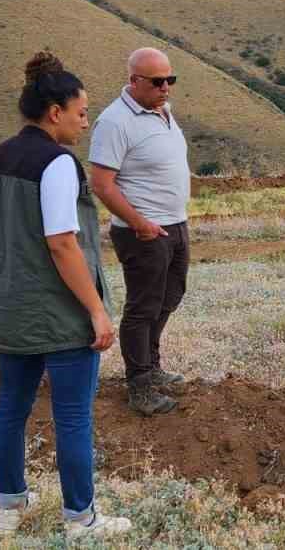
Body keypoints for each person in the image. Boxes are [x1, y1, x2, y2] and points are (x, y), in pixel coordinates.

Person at [0, 52, 132, 539]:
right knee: (74, 418)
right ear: (55, 112)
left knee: (10, 408)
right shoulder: (58, 163)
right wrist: (97, 311)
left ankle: (9, 507)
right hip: (58, 314)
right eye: (81, 112)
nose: (86, 122)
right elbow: (62, 242)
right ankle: (81, 520)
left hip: (10, 307)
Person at [89, 47, 191, 417]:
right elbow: (101, 184)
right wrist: (139, 223)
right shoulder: (115, 122)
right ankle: (140, 384)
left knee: (171, 295)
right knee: (143, 305)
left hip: (174, 223)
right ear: (134, 81)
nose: (166, 88)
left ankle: (152, 364)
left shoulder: (163, 111)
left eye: (170, 80)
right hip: (143, 231)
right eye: (158, 81)